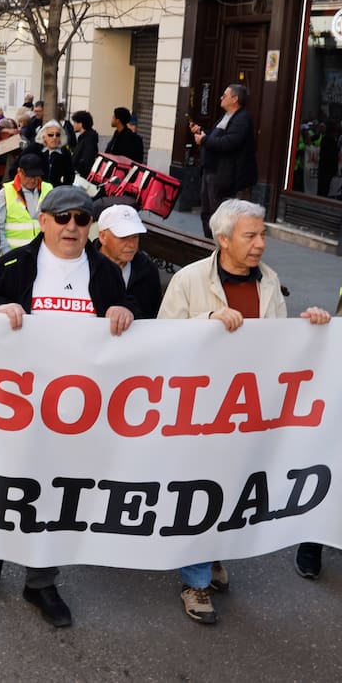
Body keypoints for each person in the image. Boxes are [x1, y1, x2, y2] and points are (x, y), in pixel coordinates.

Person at [0, 185, 135, 629]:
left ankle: (41, 580)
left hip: (76, 409)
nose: (73, 227)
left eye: (82, 219)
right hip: (17, 404)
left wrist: (124, 311)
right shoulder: (14, 264)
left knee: (59, 492)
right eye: (63, 218)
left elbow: (130, 321)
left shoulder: (104, 271)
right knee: (7, 482)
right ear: (43, 221)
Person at [158, 199, 331, 622]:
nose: (260, 244)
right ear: (223, 239)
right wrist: (208, 318)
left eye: (263, 235)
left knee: (233, 491)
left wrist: (311, 329)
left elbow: (278, 345)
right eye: (250, 235)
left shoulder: (268, 281)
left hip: (248, 411)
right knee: (200, 492)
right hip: (200, 411)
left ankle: (213, 554)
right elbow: (160, 342)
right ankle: (194, 582)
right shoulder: (188, 280)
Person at [190, 83, 258, 238]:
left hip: (224, 176)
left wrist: (204, 140)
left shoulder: (242, 118)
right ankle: (209, 246)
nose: (221, 98)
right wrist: (202, 133)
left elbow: (230, 142)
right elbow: (216, 139)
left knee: (219, 215)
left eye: (225, 95)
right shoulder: (226, 116)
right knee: (207, 213)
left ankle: (220, 248)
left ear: (235, 99)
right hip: (211, 171)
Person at [94, 204, 161, 319]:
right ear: (103, 236)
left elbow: (152, 316)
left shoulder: (148, 270)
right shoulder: (84, 265)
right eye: (123, 237)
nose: (131, 245)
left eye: (135, 236)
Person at [0, 152, 50, 254]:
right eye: (29, 176)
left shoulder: (48, 189)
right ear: (19, 171)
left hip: (42, 252)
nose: (33, 180)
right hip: (14, 254)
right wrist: (6, 253)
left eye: (35, 176)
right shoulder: (5, 193)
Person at [24, 121, 74, 187]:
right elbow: (18, 168)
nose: (54, 137)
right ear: (44, 137)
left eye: (57, 135)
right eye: (50, 135)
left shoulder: (65, 153)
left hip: (55, 193)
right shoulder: (34, 149)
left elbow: (70, 176)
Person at [70, 110, 99, 179]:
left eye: (74, 122)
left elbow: (86, 162)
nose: (73, 125)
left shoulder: (88, 140)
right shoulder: (84, 138)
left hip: (81, 179)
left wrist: (76, 171)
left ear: (80, 124)